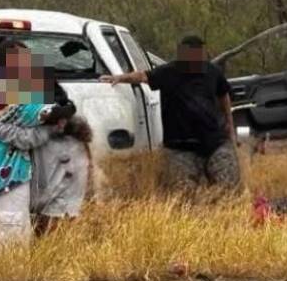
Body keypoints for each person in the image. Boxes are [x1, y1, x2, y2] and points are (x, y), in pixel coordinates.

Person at [102, 35, 240, 191]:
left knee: (228, 188)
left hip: (215, 142)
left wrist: (229, 122)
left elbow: (224, 94)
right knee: (183, 193)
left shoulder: (212, 71)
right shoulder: (169, 72)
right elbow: (142, 76)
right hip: (180, 146)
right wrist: (120, 78)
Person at [0, 40, 71, 247]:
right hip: (8, 175)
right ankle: (9, 278)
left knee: (6, 232)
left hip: (0, 173)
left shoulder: (1, 87)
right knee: (11, 235)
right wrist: (56, 122)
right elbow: (29, 133)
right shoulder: (11, 96)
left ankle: (7, 275)